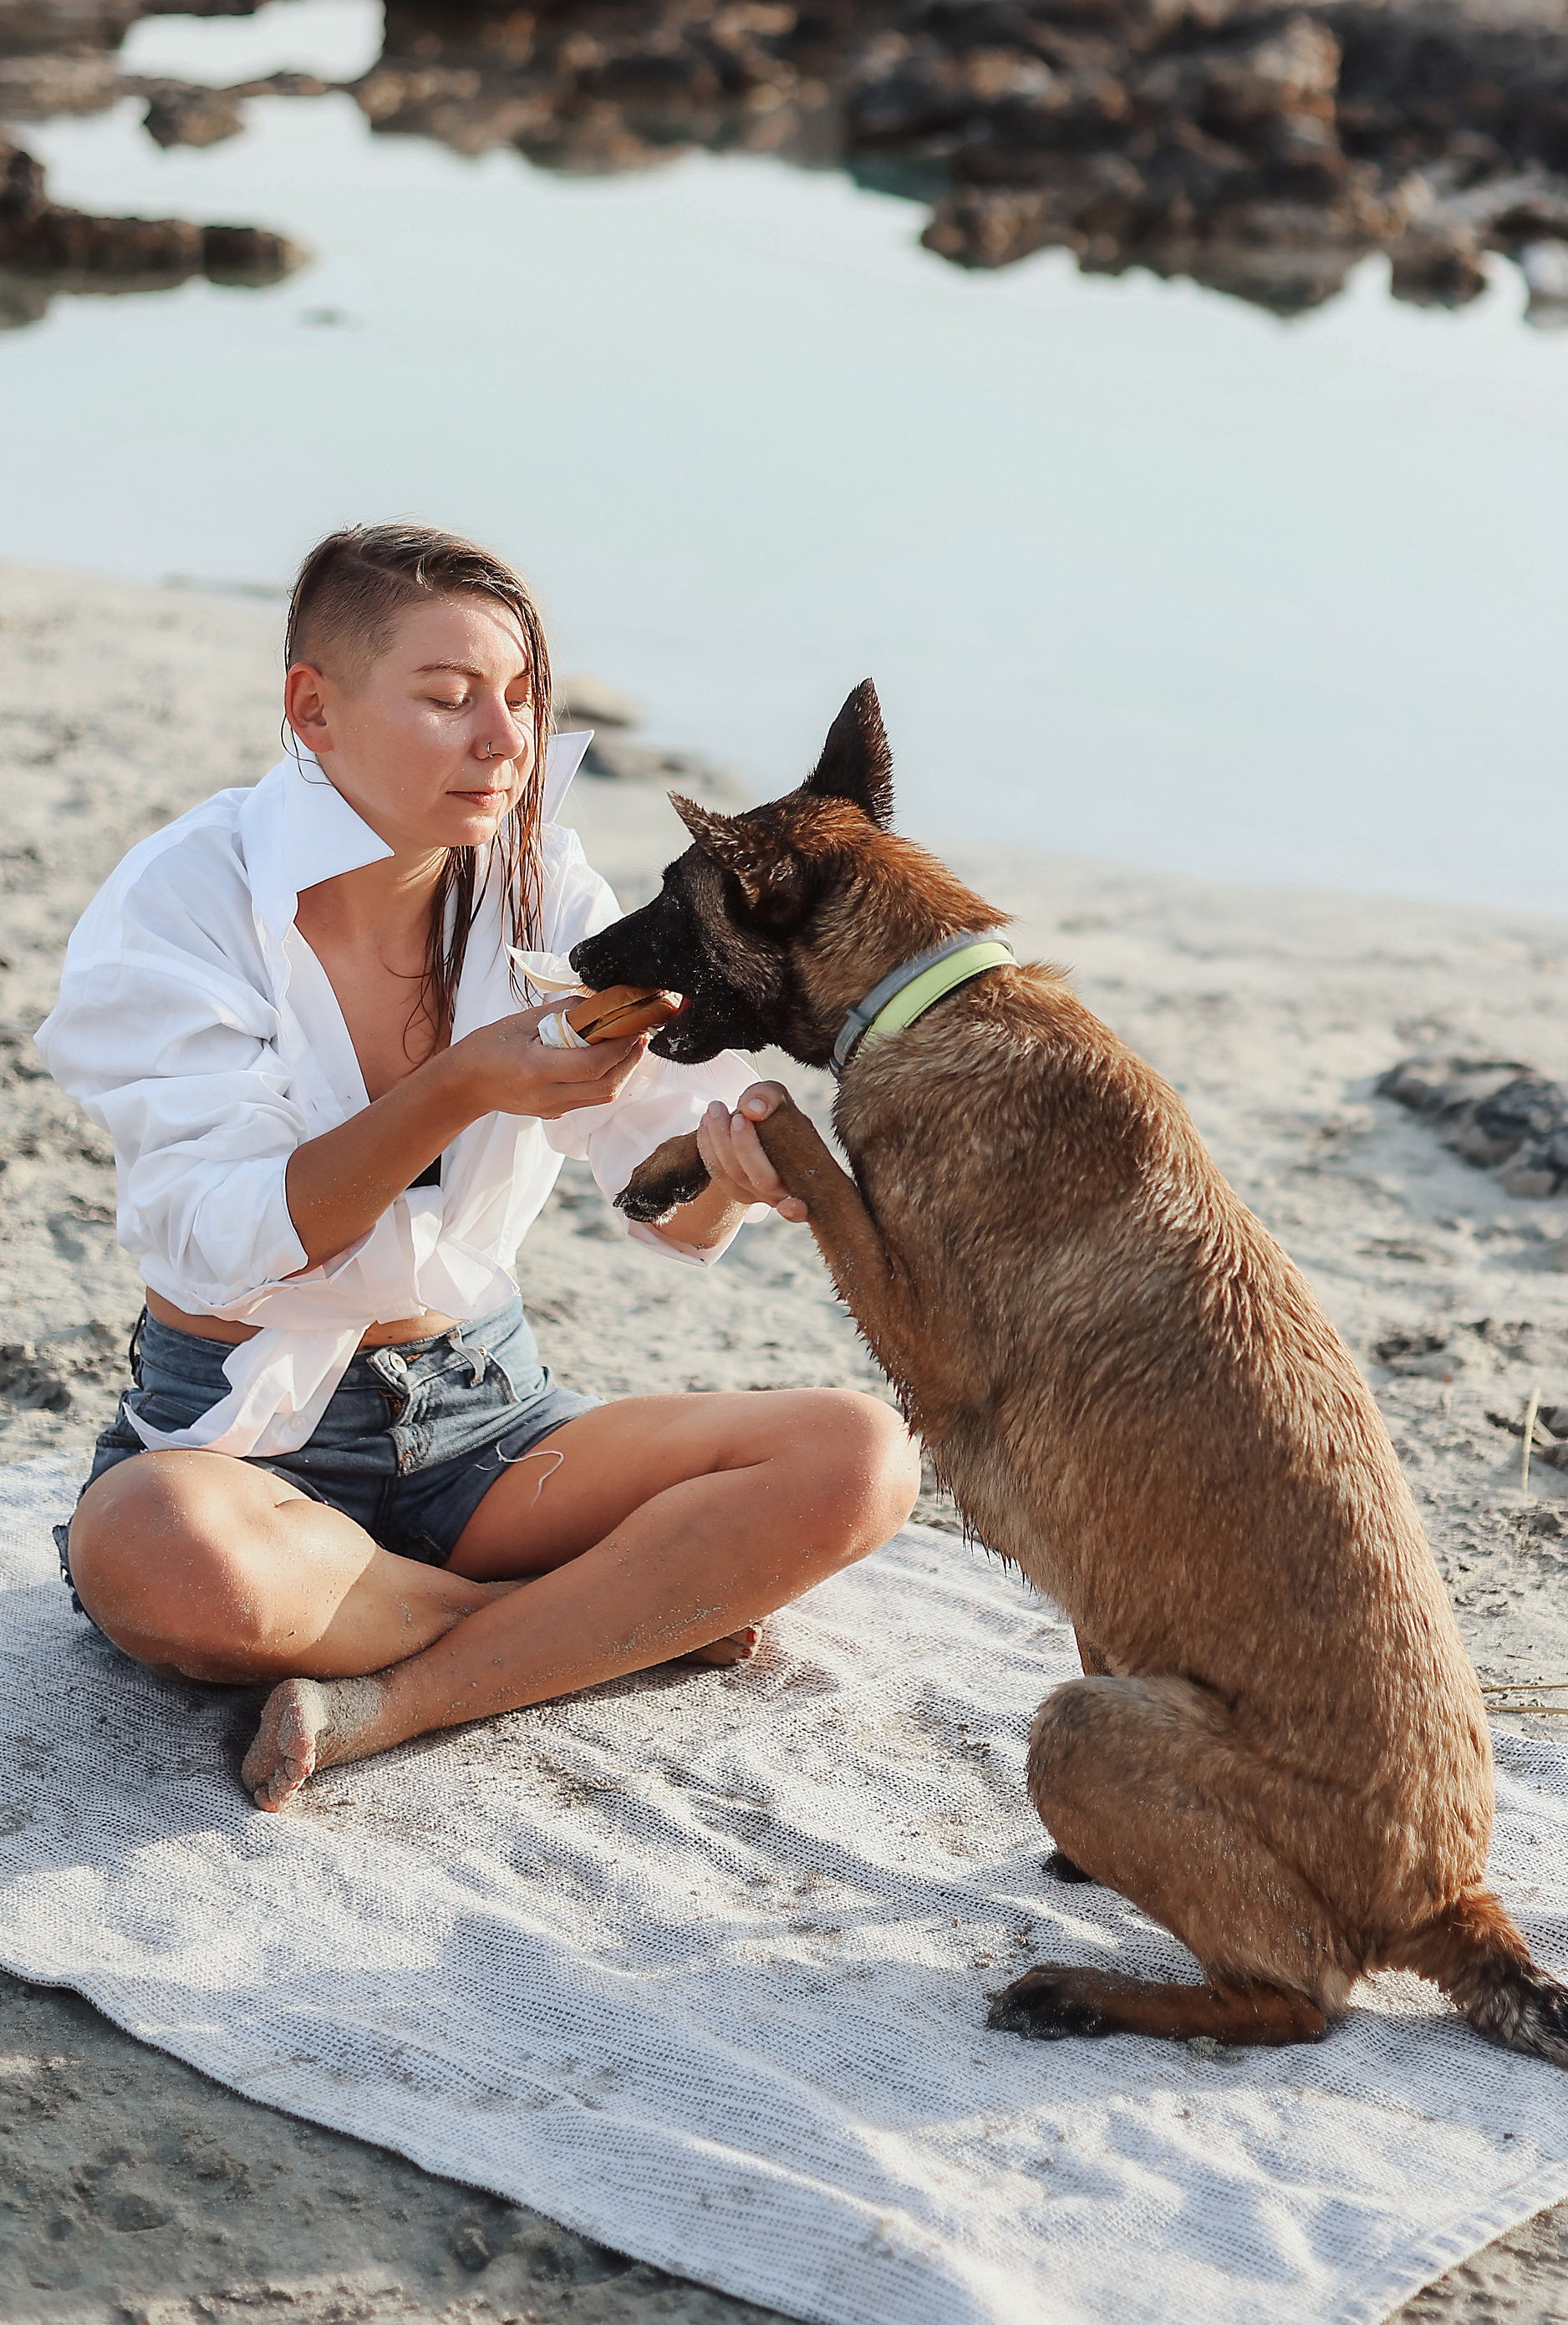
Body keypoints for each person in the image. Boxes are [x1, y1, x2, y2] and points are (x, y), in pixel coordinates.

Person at [37, 523, 918, 1813]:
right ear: (314, 707)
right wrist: (458, 1085)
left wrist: (724, 1171)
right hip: (245, 1439)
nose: (506, 742)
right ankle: (578, 1619)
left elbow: (656, 1184)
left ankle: (401, 1694)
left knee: (858, 1456)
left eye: (521, 696)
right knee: (157, 1556)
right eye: (450, 698)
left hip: (487, 1419)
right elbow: (220, 1236)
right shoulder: (183, 899)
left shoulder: (540, 874)